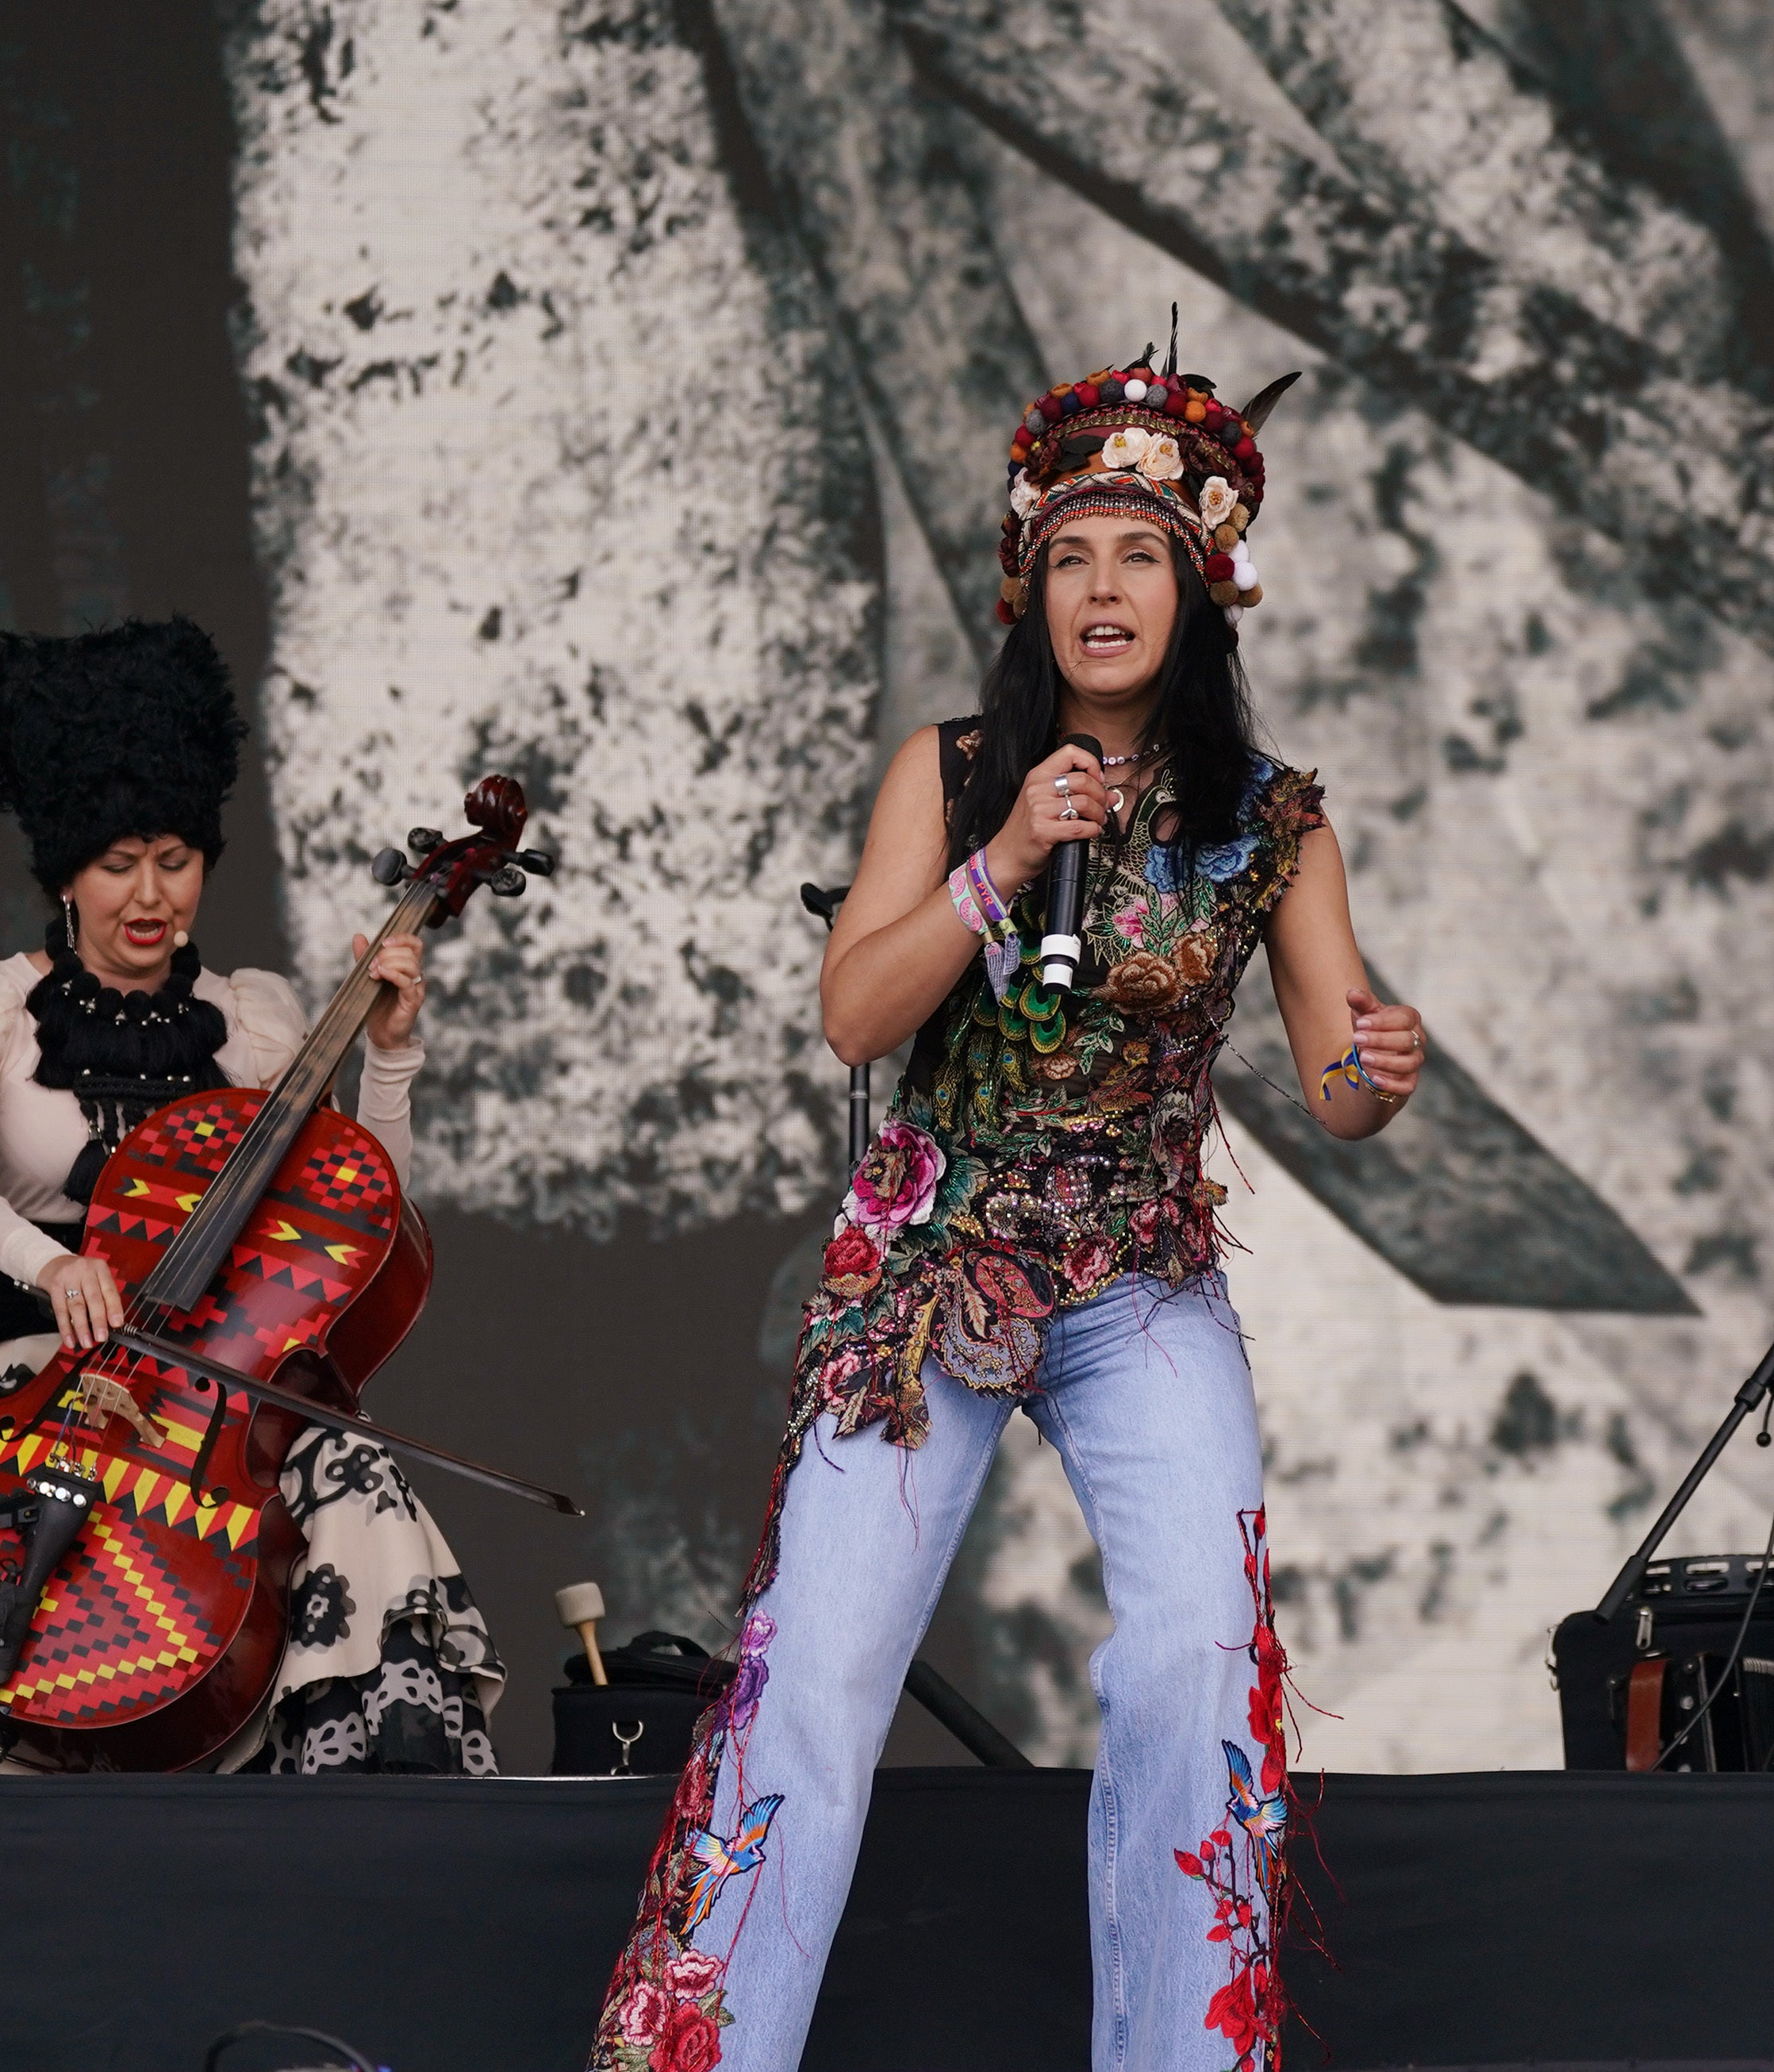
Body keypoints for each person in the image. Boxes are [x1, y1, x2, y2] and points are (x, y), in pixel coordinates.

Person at [591, 349, 1426, 2072]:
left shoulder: (1272, 823)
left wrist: (1379, 1075)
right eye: (1071, 558)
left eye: (1137, 558)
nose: (1102, 590)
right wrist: (1000, 860)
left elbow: (1339, 1087)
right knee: (815, 1672)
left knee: (1201, 1659)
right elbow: (854, 1016)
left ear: (1197, 592)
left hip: (1139, 1283)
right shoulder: (960, 769)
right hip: (930, 1272)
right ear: (1027, 587)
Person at [0, 617, 503, 1774]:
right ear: (67, 871)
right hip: (23, 1352)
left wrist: (388, 1050)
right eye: (117, 862)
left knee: (357, 1474)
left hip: (201, 1388)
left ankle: (374, 1783)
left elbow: (358, 1214)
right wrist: (51, 1264)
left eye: (176, 860)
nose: (151, 895)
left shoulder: (259, 1019)